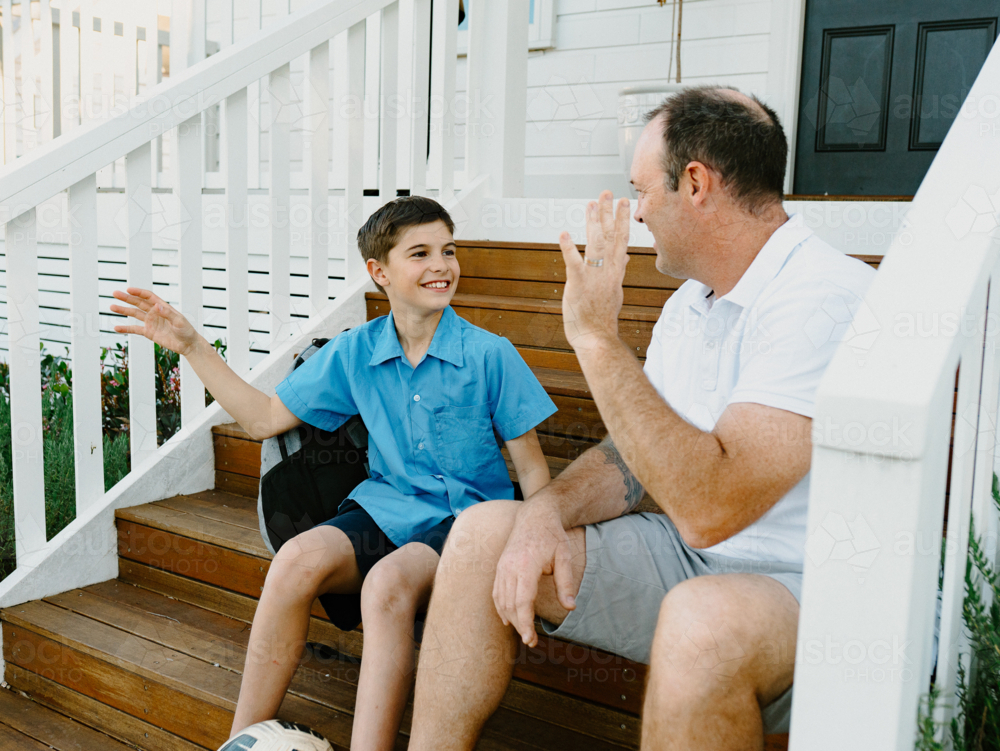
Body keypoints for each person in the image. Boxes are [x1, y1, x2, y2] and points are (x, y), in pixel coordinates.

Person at [405, 87, 878, 749]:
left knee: (700, 620)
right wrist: (546, 510)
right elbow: (636, 459)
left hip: (808, 581)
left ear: (695, 182)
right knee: (488, 530)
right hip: (687, 554)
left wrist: (596, 340)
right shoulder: (694, 303)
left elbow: (713, 505)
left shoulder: (822, 298)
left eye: (642, 189)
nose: (636, 211)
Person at [109, 196, 557, 751]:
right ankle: (240, 741)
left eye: (448, 250)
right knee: (296, 559)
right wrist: (192, 346)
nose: (441, 265)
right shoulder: (355, 352)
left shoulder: (491, 355)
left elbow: (535, 476)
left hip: (469, 523)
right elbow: (263, 419)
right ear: (380, 272)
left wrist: (536, 550)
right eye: (419, 253)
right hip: (388, 507)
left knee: (387, 585)